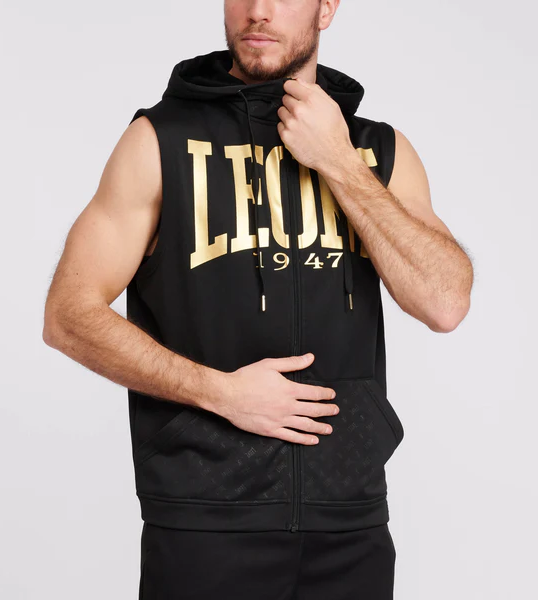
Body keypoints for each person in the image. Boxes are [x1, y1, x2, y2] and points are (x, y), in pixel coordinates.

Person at [43, 0, 473, 598]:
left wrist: (339, 162)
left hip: (350, 527)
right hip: (205, 525)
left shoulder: (378, 150)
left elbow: (445, 302)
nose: (259, 11)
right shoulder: (161, 140)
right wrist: (218, 392)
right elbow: (68, 315)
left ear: (326, 9)